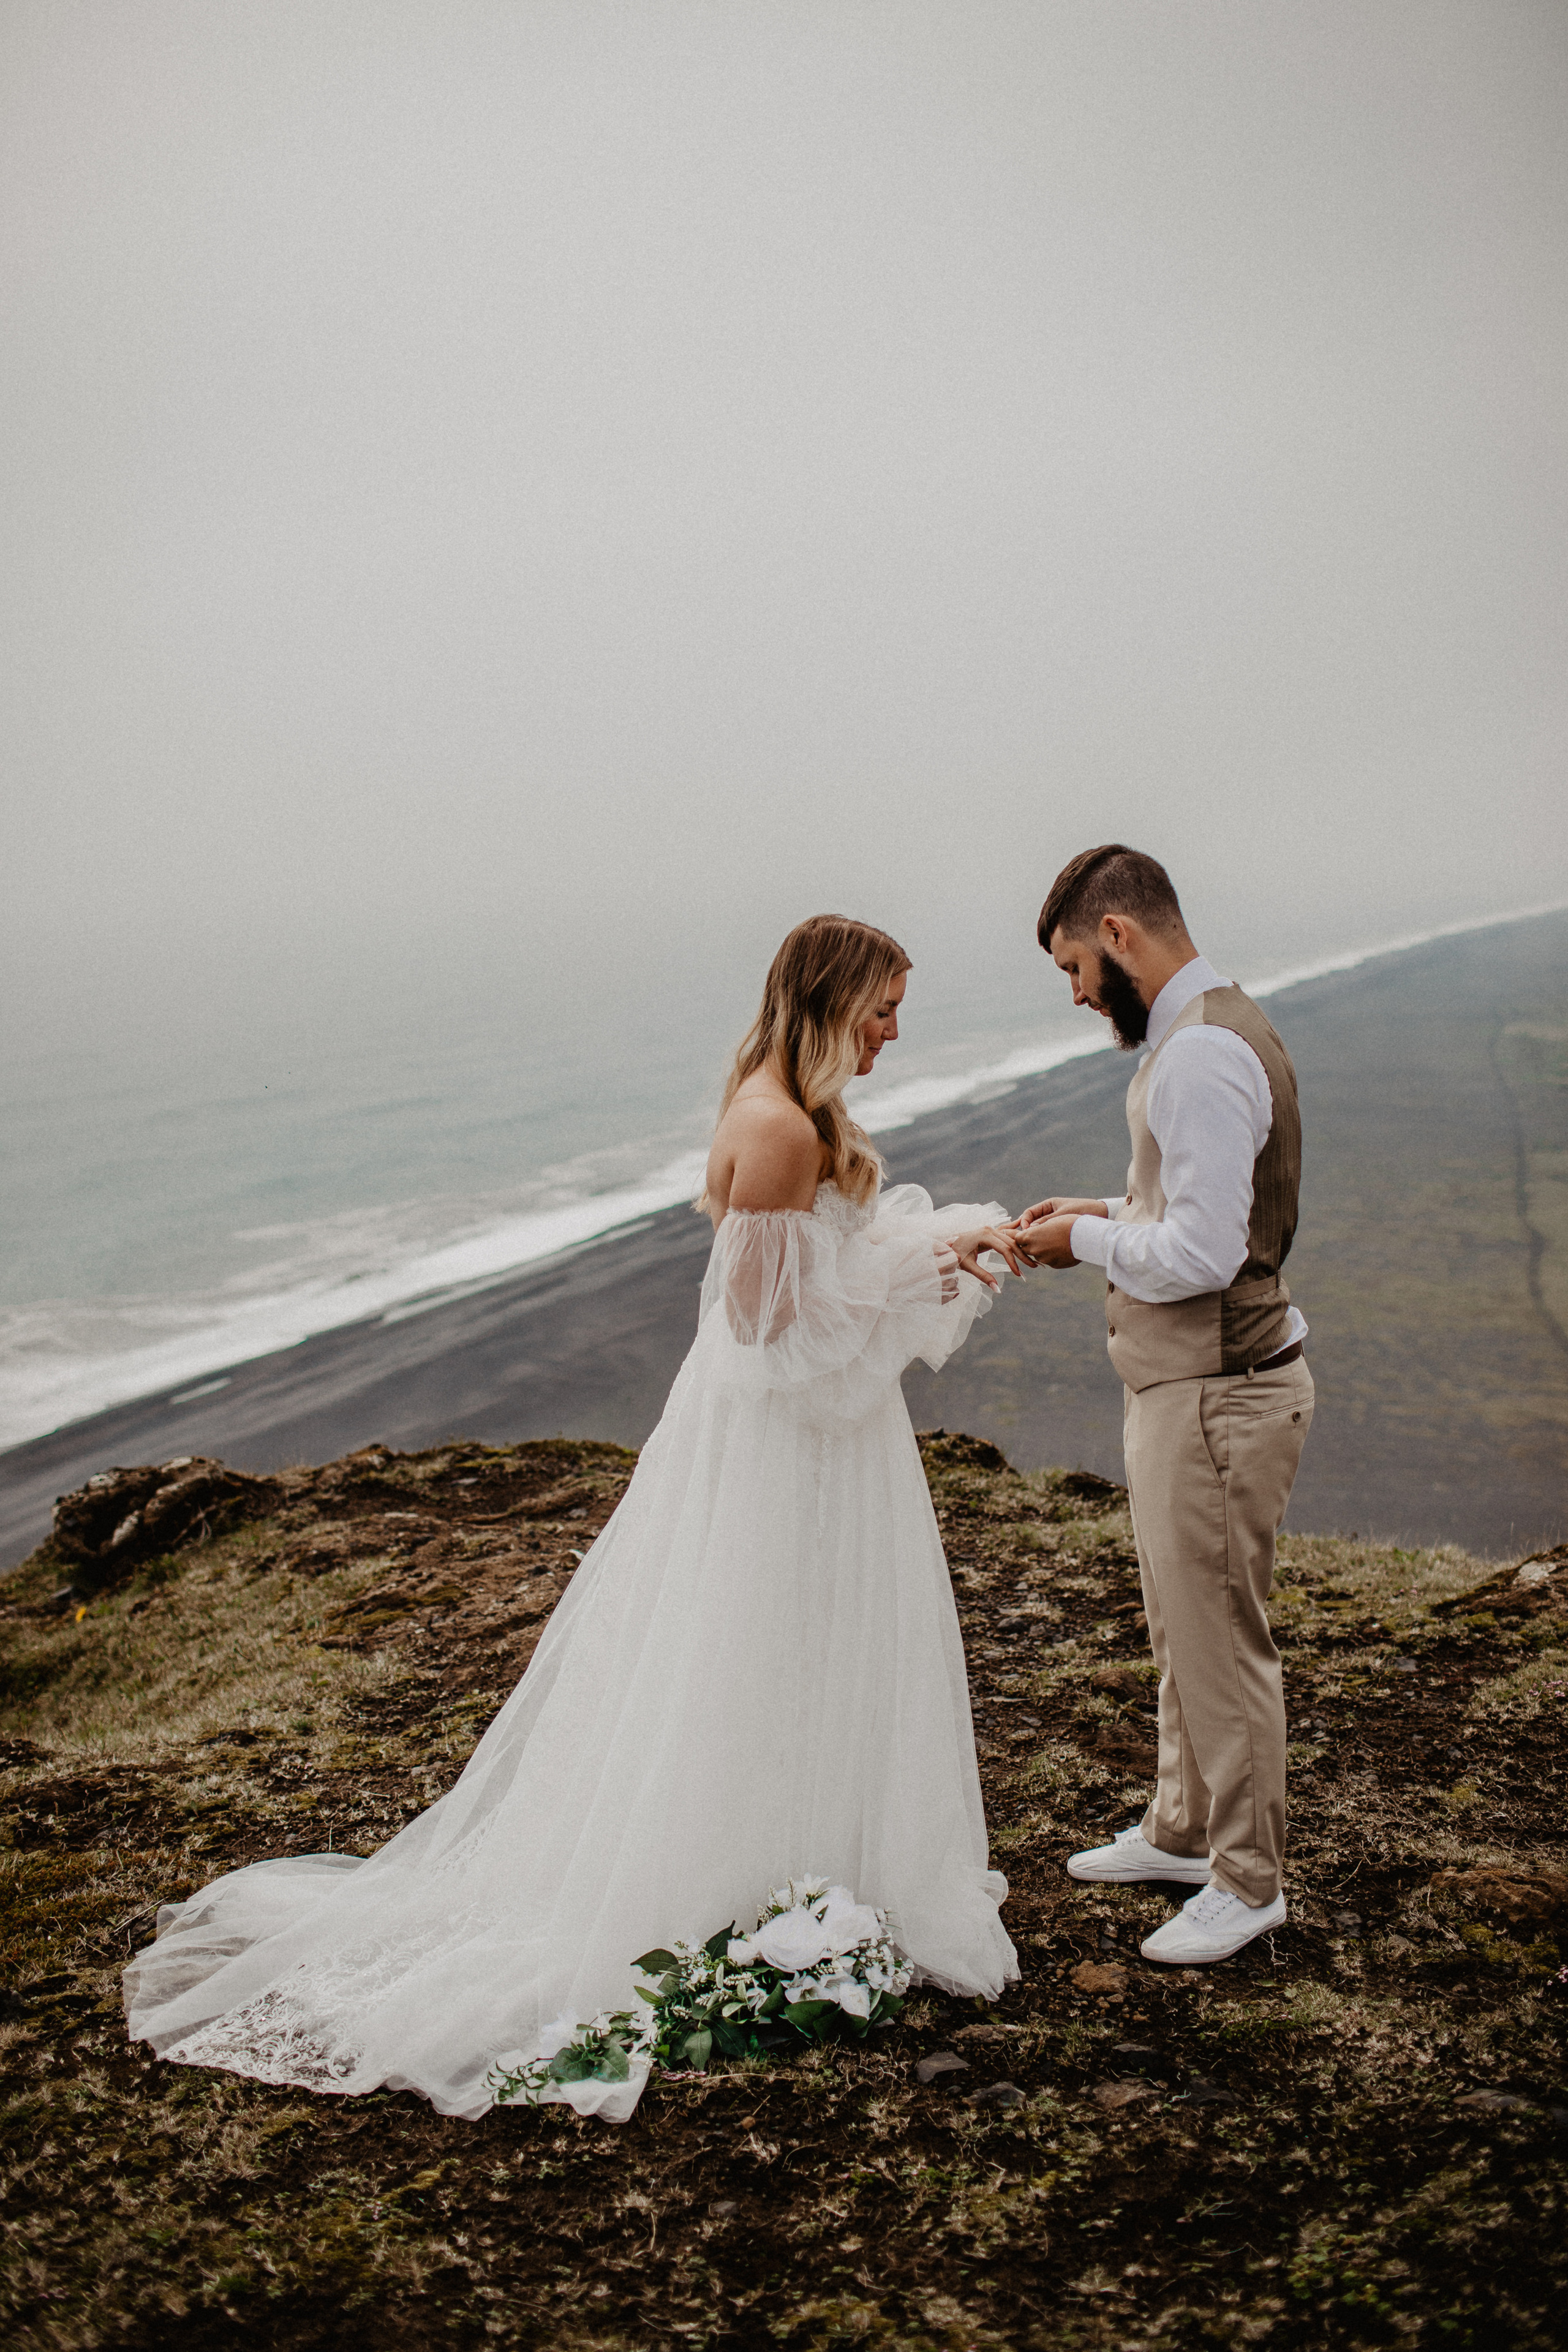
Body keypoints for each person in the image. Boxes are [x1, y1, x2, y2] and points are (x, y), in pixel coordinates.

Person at [124, 915, 1024, 2119]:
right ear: (827, 1003)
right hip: (777, 1444)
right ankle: (726, 1878)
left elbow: (814, 1282)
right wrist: (928, 1270)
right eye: (880, 1010)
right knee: (746, 1646)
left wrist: (936, 1243)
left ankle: (799, 1862)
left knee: (800, 1649)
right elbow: (768, 1336)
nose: (893, 1033)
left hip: (816, 1439)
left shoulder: (793, 1117)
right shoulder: (770, 1125)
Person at [1011, 846, 1313, 1966]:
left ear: (1122, 935)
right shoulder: (1215, 1031)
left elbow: (1203, 1249)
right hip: (1195, 1390)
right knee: (1182, 1625)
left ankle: (1248, 1881)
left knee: (1223, 1642)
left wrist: (1082, 1240)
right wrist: (1101, 1203)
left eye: (1078, 967)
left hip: (1218, 1397)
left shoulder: (1196, 1057)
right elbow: (1189, 1201)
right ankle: (1185, 1831)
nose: (1080, 993)